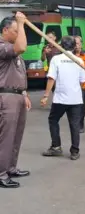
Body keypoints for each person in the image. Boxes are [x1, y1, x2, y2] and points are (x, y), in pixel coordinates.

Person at [40, 36, 85, 160]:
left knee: (53, 120)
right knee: (75, 124)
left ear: (61, 45)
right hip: (76, 98)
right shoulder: (79, 61)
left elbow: (51, 78)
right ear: (74, 46)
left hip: (60, 98)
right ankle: (75, 151)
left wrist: (46, 96)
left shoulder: (56, 59)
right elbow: (84, 81)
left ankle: (56, 147)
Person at [0, 12, 31, 188]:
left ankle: (10, 167)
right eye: (15, 30)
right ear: (5, 30)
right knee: (6, 136)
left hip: (17, 95)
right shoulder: (2, 46)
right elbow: (21, 47)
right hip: (5, 96)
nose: (18, 33)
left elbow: (18, 74)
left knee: (16, 135)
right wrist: (21, 23)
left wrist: (24, 94)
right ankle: (1, 173)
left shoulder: (12, 49)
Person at [73, 36, 85, 133]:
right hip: (72, 85)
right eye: (75, 43)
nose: (76, 45)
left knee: (82, 106)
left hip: (83, 86)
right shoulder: (69, 55)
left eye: (78, 43)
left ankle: (80, 125)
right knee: (73, 106)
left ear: (81, 43)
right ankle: (74, 124)